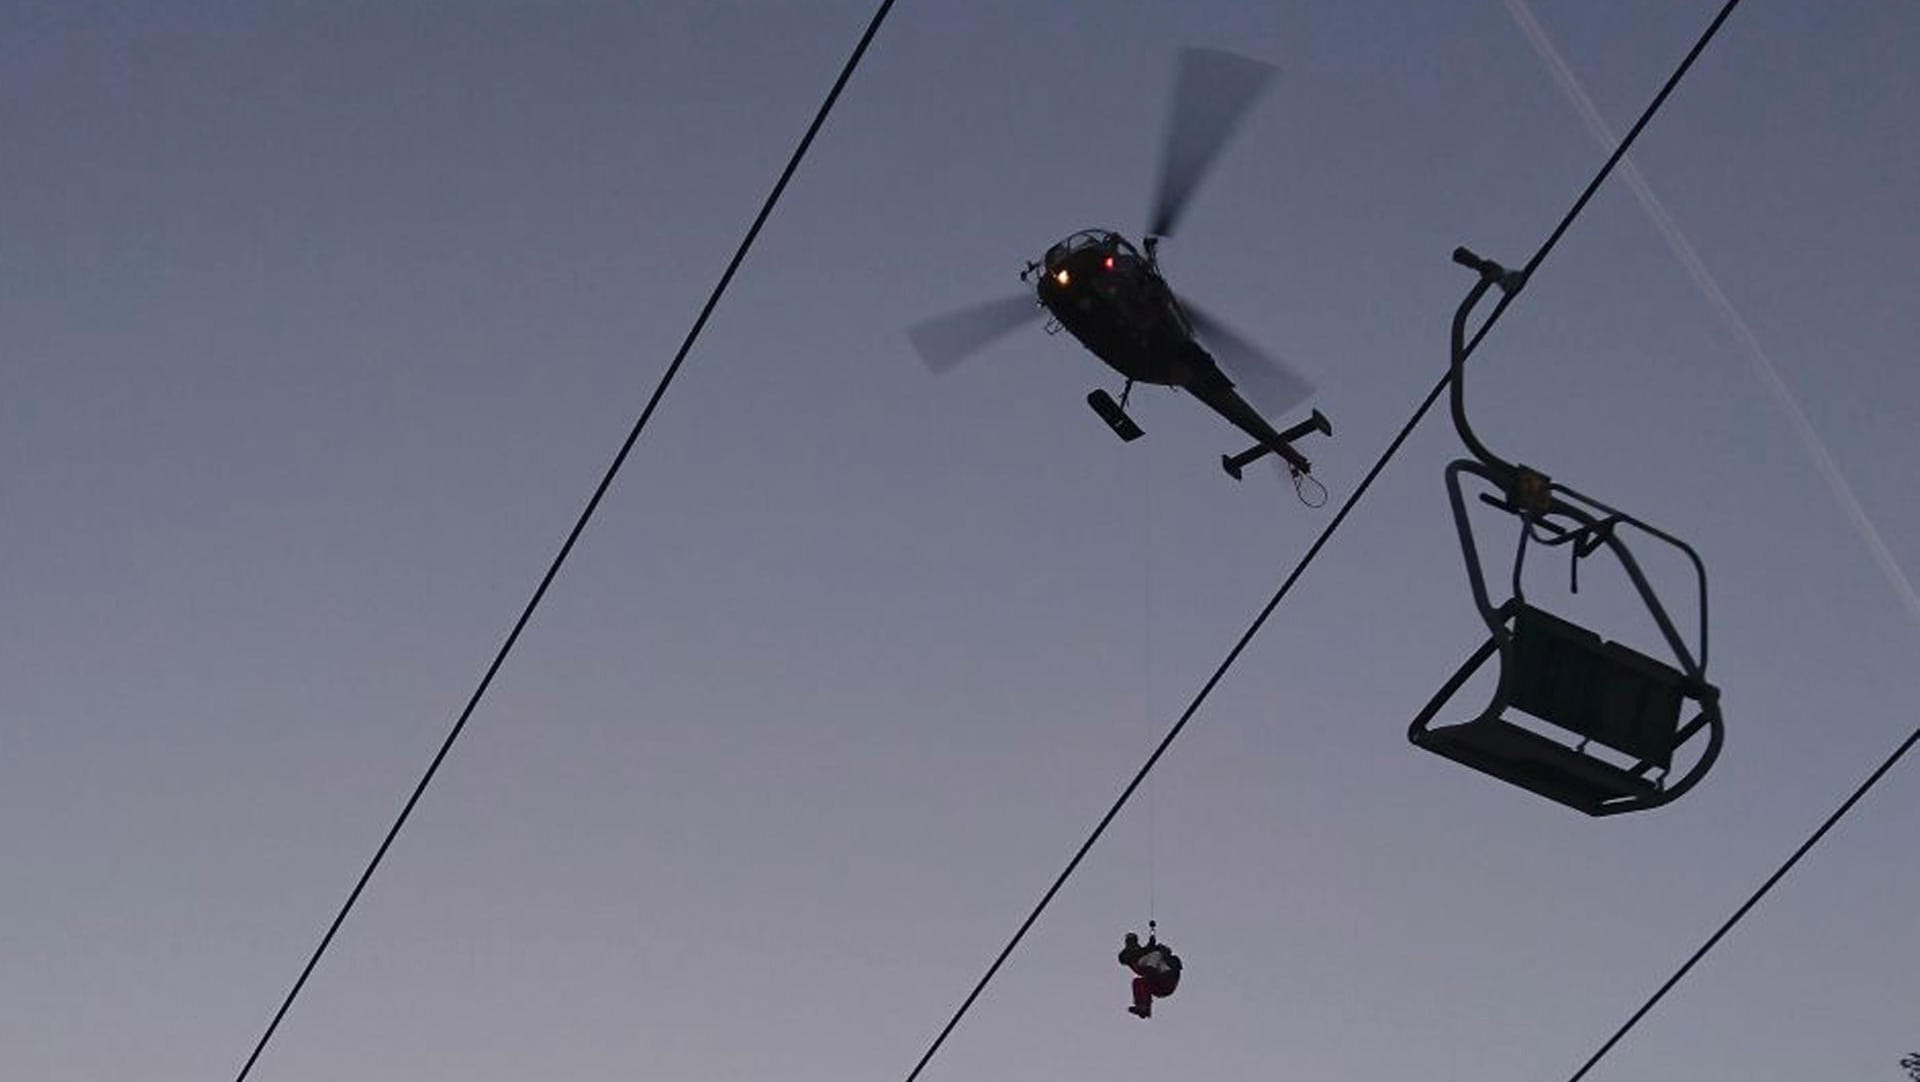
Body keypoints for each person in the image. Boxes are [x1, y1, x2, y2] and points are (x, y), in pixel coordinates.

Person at [1117, 930, 1181, 1018]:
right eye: (1130, 940)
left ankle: (1143, 1005)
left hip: (1166, 978)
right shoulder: (1131, 954)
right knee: (1138, 982)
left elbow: (1148, 950)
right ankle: (1143, 1007)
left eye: (1132, 940)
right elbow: (1125, 958)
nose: (1132, 943)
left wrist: (1153, 944)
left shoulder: (1144, 953)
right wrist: (1152, 945)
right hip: (1161, 984)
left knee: (1155, 956)